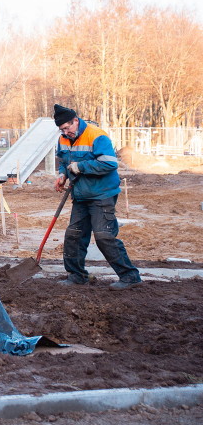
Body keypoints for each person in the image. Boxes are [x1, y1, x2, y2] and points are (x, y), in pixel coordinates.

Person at [53, 104, 142, 290]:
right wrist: (62, 175)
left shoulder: (96, 135)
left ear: (75, 121)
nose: (65, 132)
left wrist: (81, 167)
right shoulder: (63, 139)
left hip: (101, 194)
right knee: (74, 235)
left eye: (67, 128)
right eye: (62, 129)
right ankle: (77, 276)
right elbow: (63, 160)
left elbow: (109, 163)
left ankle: (130, 276)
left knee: (103, 236)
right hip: (80, 195)